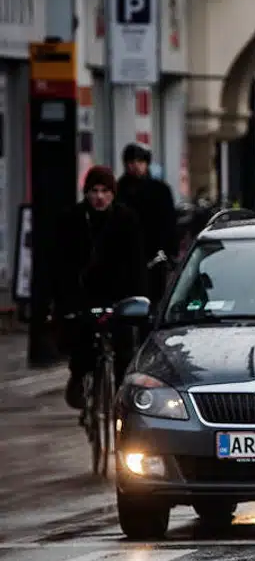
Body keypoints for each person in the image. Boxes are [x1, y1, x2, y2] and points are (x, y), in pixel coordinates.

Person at [55, 166, 145, 409]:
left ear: (113, 193)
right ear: (86, 193)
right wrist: (65, 302)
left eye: (105, 191)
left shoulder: (126, 219)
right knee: (82, 343)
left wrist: (136, 299)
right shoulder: (72, 219)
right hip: (84, 294)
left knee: (124, 348)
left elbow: (135, 263)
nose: (99, 197)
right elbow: (61, 263)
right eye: (94, 191)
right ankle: (79, 379)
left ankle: (120, 399)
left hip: (118, 294)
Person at [115, 144, 178, 302]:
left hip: (154, 256)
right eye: (131, 162)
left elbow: (169, 223)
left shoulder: (160, 190)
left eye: (139, 161)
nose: (135, 166)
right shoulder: (118, 190)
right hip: (125, 258)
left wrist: (168, 251)